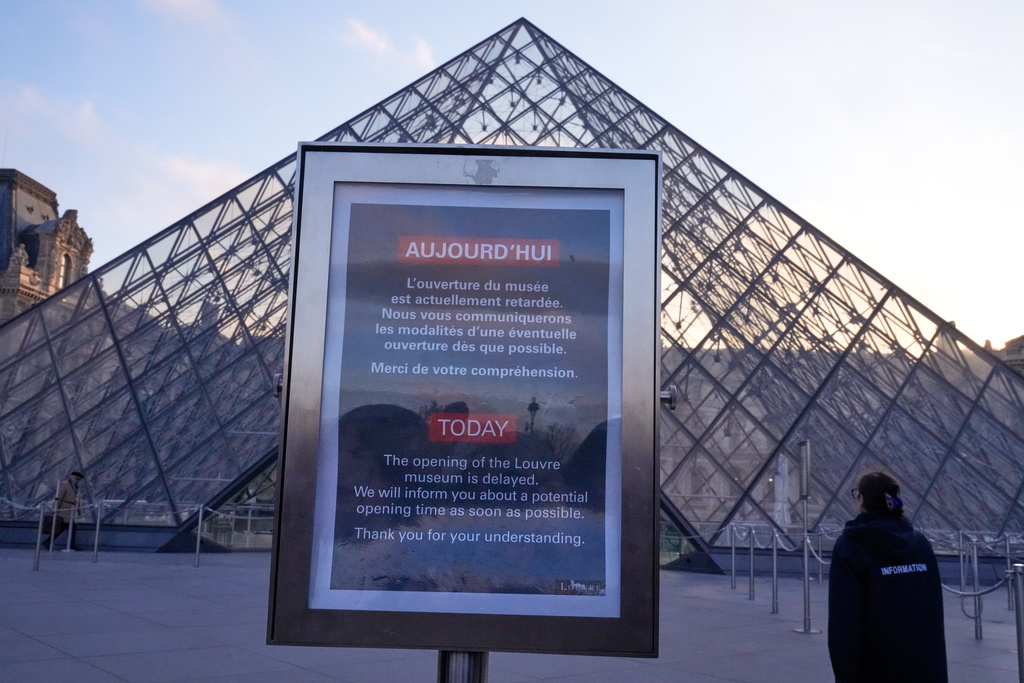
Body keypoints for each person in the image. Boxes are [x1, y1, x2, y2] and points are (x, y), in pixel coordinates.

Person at [828, 471, 947, 682]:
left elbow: (844, 623)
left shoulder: (851, 546)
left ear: (861, 499)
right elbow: (933, 611)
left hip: (875, 667)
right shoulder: (920, 543)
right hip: (923, 665)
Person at [44, 471, 84, 551]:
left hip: (71, 511)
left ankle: (48, 541)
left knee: (63, 528)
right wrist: (56, 509)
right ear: (72, 477)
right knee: (65, 528)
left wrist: (80, 512)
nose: (77, 481)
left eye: (79, 480)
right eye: (76, 479)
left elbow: (78, 500)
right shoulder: (65, 484)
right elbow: (59, 497)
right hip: (65, 511)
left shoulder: (76, 487)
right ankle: (71, 545)